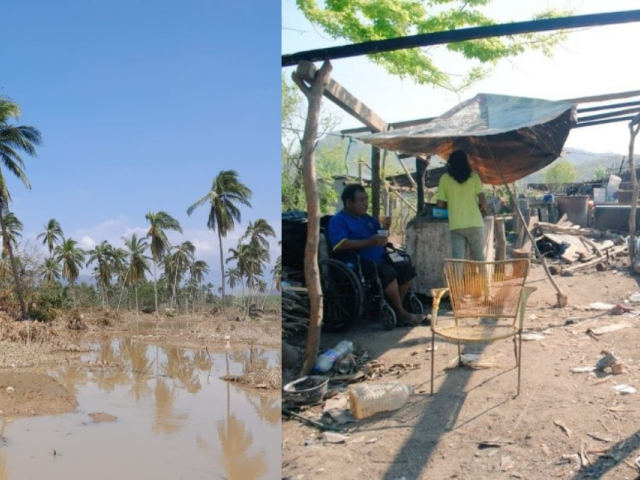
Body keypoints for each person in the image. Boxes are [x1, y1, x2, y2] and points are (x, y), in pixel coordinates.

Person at [328, 184, 425, 326]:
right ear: (349, 202)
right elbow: (340, 245)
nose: (365, 203)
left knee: (406, 267)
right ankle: (401, 313)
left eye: (366, 199)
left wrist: (385, 229)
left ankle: (397, 307)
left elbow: (380, 238)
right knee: (388, 272)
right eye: (361, 200)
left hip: (381, 257)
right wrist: (368, 242)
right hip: (358, 262)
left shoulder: (367, 219)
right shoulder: (339, 220)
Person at [436, 150, 489, 260]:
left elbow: (439, 205)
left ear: (449, 163)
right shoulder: (474, 177)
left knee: (457, 259)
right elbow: (484, 202)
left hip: (456, 225)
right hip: (475, 223)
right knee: (479, 257)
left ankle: (457, 278)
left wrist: (452, 204)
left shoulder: (444, 179)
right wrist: (482, 210)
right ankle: (483, 277)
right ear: (466, 162)